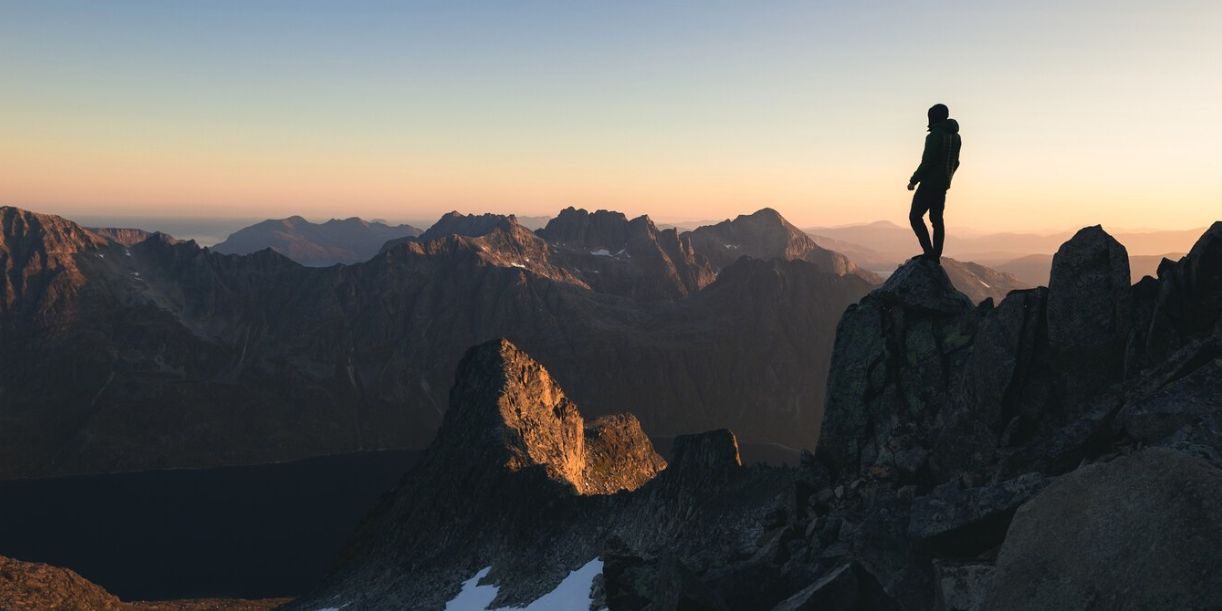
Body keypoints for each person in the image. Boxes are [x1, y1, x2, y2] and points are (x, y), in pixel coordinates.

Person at [907, 103, 961, 263]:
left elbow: (927, 162)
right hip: (943, 184)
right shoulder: (956, 137)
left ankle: (929, 253)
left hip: (929, 183)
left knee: (915, 216)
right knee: (937, 219)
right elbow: (956, 162)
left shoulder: (935, 135)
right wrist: (948, 177)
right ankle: (935, 255)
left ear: (934, 117)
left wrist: (913, 180)